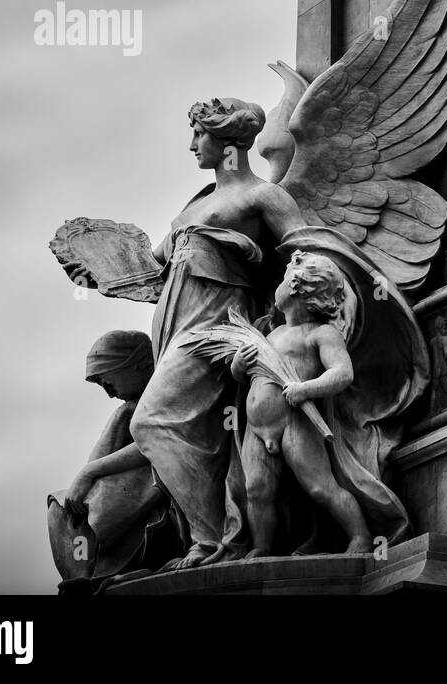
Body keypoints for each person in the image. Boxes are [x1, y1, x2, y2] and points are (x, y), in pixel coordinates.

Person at [129, 97, 307, 570]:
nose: (192, 145)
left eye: (199, 135)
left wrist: (260, 269)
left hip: (214, 330)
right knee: (202, 434)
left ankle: (210, 541)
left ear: (227, 142)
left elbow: (312, 255)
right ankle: (206, 536)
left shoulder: (262, 196)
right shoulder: (199, 202)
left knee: (150, 422)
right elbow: (155, 268)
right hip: (173, 327)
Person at [230, 251, 376, 555]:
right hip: (257, 428)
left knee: (320, 487)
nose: (277, 287)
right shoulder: (275, 333)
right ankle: (262, 547)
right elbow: (248, 379)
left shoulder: (321, 333)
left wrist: (306, 389)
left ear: (297, 288)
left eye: (283, 280)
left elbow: (343, 373)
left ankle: (360, 536)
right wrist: (238, 366)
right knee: (256, 490)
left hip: (294, 423)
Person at [46, 330, 185, 592]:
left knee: (91, 509)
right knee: (61, 508)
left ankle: (98, 572)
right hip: (143, 485)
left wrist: (88, 473)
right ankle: (83, 578)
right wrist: (120, 418)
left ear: (138, 364)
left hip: (168, 480)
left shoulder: (172, 389)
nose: (109, 393)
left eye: (108, 381)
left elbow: (154, 442)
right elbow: (97, 460)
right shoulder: (130, 409)